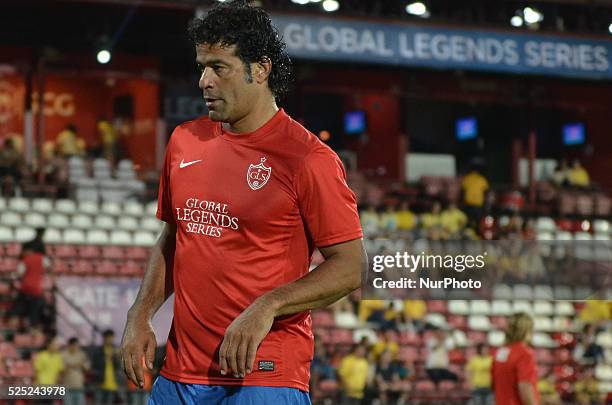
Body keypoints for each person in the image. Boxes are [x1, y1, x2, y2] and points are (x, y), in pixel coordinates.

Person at [120, 2, 366, 404]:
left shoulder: (308, 158)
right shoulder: (184, 140)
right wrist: (140, 314)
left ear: (261, 68)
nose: (204, 81)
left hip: (264, 374)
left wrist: (267, 306)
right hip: (180, 374)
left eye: (219, 67)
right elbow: (174, 237)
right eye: (201, 66)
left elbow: (351, 266)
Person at [7, 228, 51, 331]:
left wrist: (13, 278)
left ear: (29, 250)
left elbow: (19, 273)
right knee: (34, 313)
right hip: (36, 290)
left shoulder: (26, 260)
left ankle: (11, 328)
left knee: (15, 309)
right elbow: (50, 267)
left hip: (25, 288)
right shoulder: (42, 258)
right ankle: (33, 331)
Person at [492, 312, 539, 405]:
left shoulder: (500, 351)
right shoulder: (525, 353)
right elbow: (525, 388)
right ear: (526, 330)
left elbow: (494, 383)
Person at [92, 329, 125, 404]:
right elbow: (94, 366)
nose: (110, 340)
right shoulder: (98, 351)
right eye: (108, 338)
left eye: (111, 338)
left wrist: (116, 357)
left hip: (113, 384)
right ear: (104, 338)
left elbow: (119, 367)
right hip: (100, 383)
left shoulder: (116, 351)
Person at [62, 337, 90, 405]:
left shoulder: (82, 354)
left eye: (77, 345)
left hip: (79, 387)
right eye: (74, 345)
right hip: (67, 388)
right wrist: (76, 365)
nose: (75, 347)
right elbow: (62, 370)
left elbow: (87, 369)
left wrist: (72, 365)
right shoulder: (63, 355)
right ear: (69, 345)